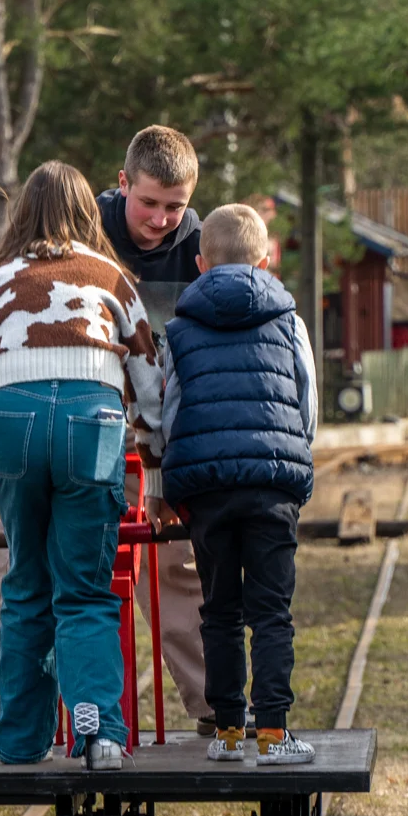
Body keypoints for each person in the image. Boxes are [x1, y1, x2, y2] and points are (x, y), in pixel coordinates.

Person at [0, 124, 215, 742]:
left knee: (175, 560)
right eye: (148, 202)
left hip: (142, 420)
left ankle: (214, 701)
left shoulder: (202, 251)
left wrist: (158, 459)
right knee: (22, 559)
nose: (159, 219)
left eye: (174, 207)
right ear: (121, 184)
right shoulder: (82, 237)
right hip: (92, 414)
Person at [0, 161, 165, 770]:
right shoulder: (113, 278)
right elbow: (150, 390)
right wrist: (157, 479)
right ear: (89, 215)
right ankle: (97, 733)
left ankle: (18, 739)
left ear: (22, 213)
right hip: (88, 424)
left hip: (9, 423)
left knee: (25, 586)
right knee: (86, 591)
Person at [159, 204, 318, 766]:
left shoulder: (178, 328)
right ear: (266, 260)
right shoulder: (288, 319)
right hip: (273, 482)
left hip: (206, 489)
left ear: (201, 264)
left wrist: (171, 478)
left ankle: (228, 733)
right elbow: (305, 400)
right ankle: (273, 733)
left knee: (220, 609)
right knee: (272, 611)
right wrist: (296, 454)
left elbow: (169, 410)